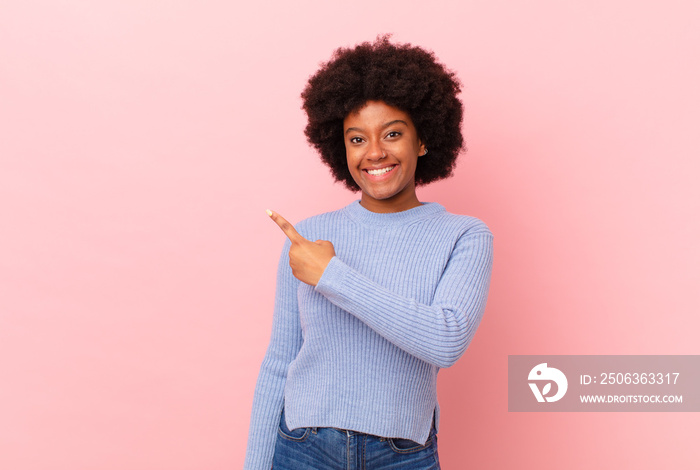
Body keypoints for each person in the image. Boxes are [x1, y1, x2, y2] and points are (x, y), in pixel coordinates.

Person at [244, 36, 493, 470]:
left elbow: (445, 339)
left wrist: (331, 275)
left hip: (401, 455)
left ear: (422, 140)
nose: (374, 152)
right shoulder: (309, 237)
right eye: (357, 138)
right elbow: (279, 363)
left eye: (393, 134)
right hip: (303, 447)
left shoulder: (464, 236)